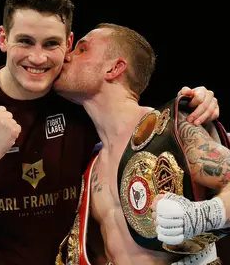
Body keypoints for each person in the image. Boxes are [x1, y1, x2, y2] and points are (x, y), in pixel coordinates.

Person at [0, 0, 220, 265]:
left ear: (69, 43)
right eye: (25, 41)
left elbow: (133, 104)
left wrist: (199, 104)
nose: (38, 57)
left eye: (52, 44)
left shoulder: (87, 104)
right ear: (3, 38)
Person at [53, 23, 229, 264]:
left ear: (114, 68)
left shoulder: (173, 129)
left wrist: (203, 216)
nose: (66, 56)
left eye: (82, 49)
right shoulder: (90, 164)